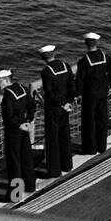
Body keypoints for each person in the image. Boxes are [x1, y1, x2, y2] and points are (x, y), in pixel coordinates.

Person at [0, 69, 36, 201]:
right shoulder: (22, 88)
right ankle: (31, 186)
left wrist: (18, 124)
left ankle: (16, 194)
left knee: (14, 163)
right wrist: (29, 121)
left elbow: (8, 116)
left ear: (6, 80)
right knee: (26, 158)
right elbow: (32, 105)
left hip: (14, 132)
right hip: (25, 128)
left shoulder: (8, 95)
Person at [38, 44, 74, 177]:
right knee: (65, 134)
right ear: (54, 53)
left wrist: (60, 103)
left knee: (52, 138)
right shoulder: (66, 66)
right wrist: (68, 102)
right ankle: (67, 164)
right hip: (66, 107)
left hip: (53, 108)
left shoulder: (46, 72)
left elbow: (49, 92)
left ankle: (54, 170)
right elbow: (72, 85)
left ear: (43, 57)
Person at [76, 33, 111, 153]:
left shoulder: (83, 61)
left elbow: (80, 81)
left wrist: (77, 95)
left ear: (86, 44)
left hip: (90, 95)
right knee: (102, 119)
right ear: (97, 43)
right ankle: (102, 146)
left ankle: (90, 148)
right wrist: (109, 85)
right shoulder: (105, 56)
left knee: (89, 121)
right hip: (103, 92)